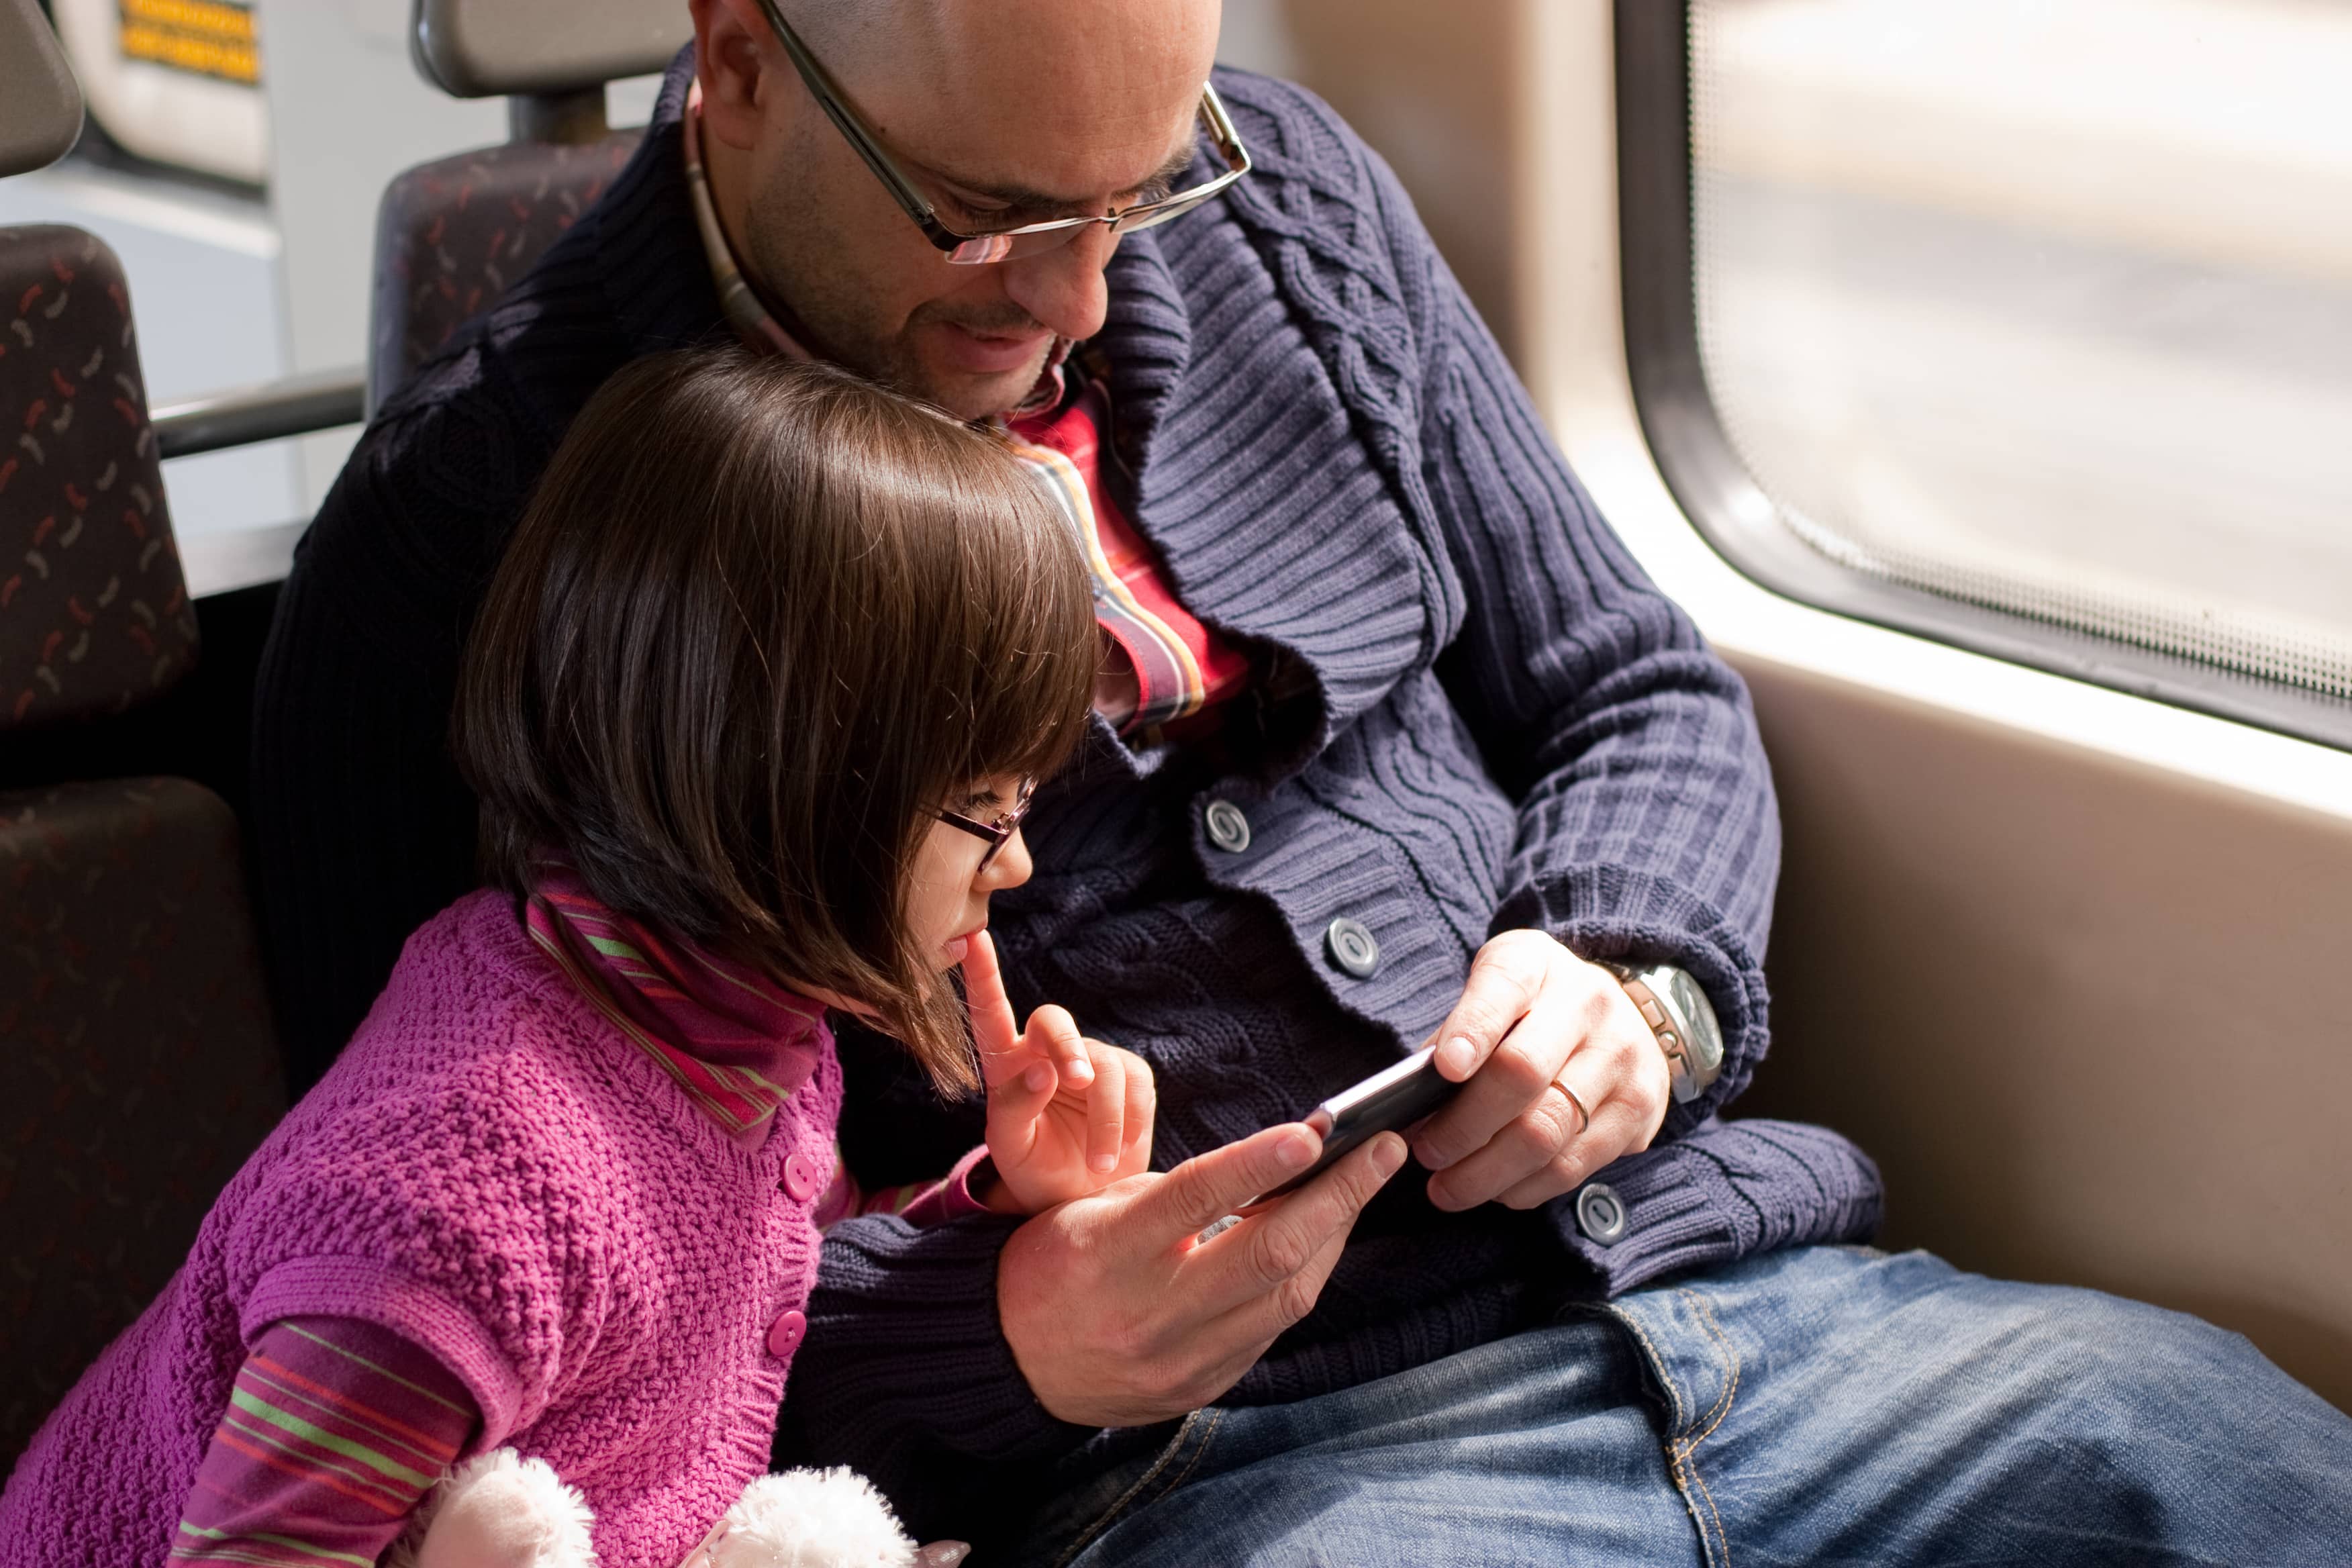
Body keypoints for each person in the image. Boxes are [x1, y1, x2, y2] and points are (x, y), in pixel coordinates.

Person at [246, 1, 2352, 1562]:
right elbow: (458, 1270)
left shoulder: (1289, 209)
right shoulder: (473, 541)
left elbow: (1639, 691)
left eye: (1141, 190)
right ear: (736, 55)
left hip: (1727, 1299)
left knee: (2248, 1467)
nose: (1079, 300)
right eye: (990, 220)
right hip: (1228, 1478)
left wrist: (1634, 989)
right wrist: (1014, 1342)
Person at [0, 350, 1218, 1567]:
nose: (1015, 866)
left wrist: (992, 1198)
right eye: (985, 811)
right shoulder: (456, 1206)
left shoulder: (725, 1026)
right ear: (782, 786)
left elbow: (761, 1272)